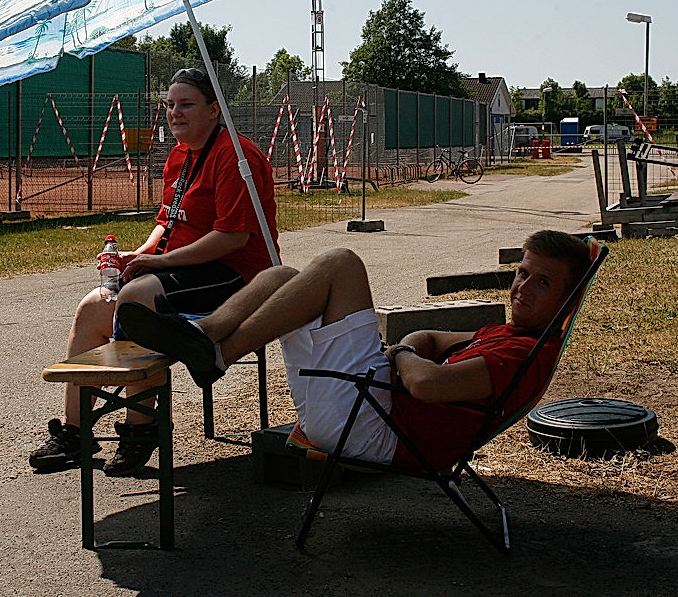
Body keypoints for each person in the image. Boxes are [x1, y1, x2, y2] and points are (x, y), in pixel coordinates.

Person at [117, 230, 592, 471]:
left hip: (374, 427)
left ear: (566, 301)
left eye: (542, 282)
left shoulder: (519, 356)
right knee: (282, 278)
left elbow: (426, 382)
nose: (523, 288)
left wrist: (400, 358)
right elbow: (426, 339)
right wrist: (406, 351)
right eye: (523, 273)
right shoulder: (504, 335)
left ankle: (212, 350)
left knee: (341, 263)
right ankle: (208, 336)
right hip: (366, 405)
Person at [30, 67, 279, 475]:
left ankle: (141, 427)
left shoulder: (237, 156)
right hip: (183, 269)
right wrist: (137, 254)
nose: (174, 113)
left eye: (186, 105)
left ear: (214, 109)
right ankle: (77, 433)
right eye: (170, 105)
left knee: (137, 298)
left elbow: (232, 238)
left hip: (238, 276)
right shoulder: (179, 155)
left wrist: (158, 264)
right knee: (93, 306)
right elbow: (167, 222)